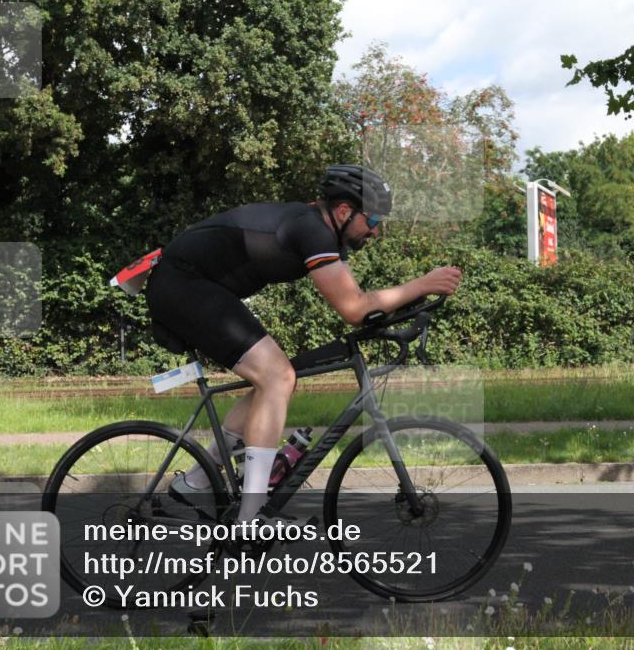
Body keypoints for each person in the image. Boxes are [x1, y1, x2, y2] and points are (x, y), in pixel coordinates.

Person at [144, 165, 461, 525]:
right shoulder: (311, 229)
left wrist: (402, 311)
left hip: (193, 285)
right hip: (184, 285)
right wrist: (422, 284)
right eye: (372, 219)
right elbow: (354, 308)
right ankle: (252, 515)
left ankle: (197, 481)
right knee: (277, 376)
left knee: (276, 378)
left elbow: (361, 301)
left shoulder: (316, 227)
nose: (374, 230)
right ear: (344, 211)